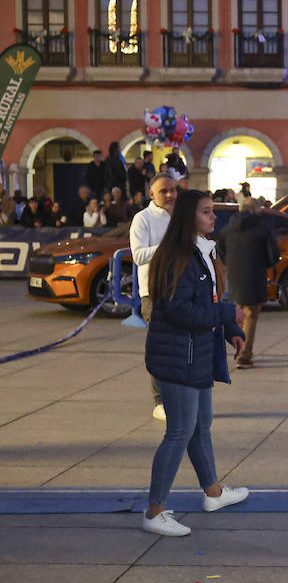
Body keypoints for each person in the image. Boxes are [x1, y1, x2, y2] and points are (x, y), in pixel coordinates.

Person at [141, 189, 249, 536]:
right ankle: (155, 510)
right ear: (190, 217)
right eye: (206, 212)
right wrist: (228, 313)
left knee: (201, 425)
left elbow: (212, 298)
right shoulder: (178, 257)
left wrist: (230, 325)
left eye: (213, 211)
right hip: (178, 358)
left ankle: (213, 493)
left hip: (195, 355)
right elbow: (179, 310)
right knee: (179, 432)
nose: (214, 217)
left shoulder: (201, 252)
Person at [131, 174, 182, 420]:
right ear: (151, 194)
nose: (171, 195)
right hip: (155, 293)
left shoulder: (182, 218)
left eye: (173, 189)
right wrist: (169, 246)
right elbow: (139, 255)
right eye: (164, 191)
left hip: (182, 291)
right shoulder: (143, 219)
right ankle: (159, 402)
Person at [218, 200, 280, 369]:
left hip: (235, 276)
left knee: (240, 313)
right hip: (256, 276)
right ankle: (244, 356)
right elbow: (273, 254)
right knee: (251, 315)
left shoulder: (227, 228)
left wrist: (230, 263)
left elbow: (220, 250)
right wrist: (266, 264)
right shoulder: (263, 228)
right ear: (255, 210)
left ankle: (239, 348)